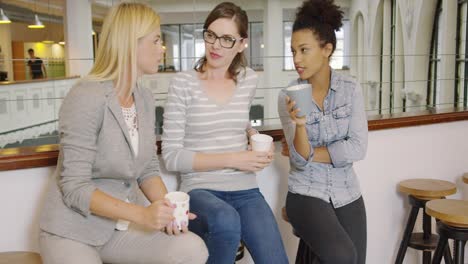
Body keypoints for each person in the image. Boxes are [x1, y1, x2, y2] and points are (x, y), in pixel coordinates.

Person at [38, 3, 208, 264]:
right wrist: (142, 215)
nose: (162, 48)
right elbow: (74, 187)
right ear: (131, 44)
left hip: (117, 229)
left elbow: (148, 169)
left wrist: (170, 209)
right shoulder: (86, 96)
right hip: (72, 232)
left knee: (192, 249)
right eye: (155, 40)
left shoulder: (144, 98)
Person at [162, 2, 288, 263]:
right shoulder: (183, 83)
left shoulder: (248, 79)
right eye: (211, 35)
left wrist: (252, 134)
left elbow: (233, 120)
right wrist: (234, 159)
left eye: (227, 39)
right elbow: (172, 156)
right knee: (225, 220)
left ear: (242, 43)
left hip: (245, 188)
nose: (216, 45)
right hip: (200, 189)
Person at [278, 0, 368, 263]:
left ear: (327, 49)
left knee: (355, 260)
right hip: (305, 192)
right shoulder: (287, 96)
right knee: (342, 256)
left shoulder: (351, 90)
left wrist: (311, 154)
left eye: (304, 50)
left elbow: (358, 147)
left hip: (347, 189)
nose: (296, 59)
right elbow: (298, 160)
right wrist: (301, 126)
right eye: (293, 50)